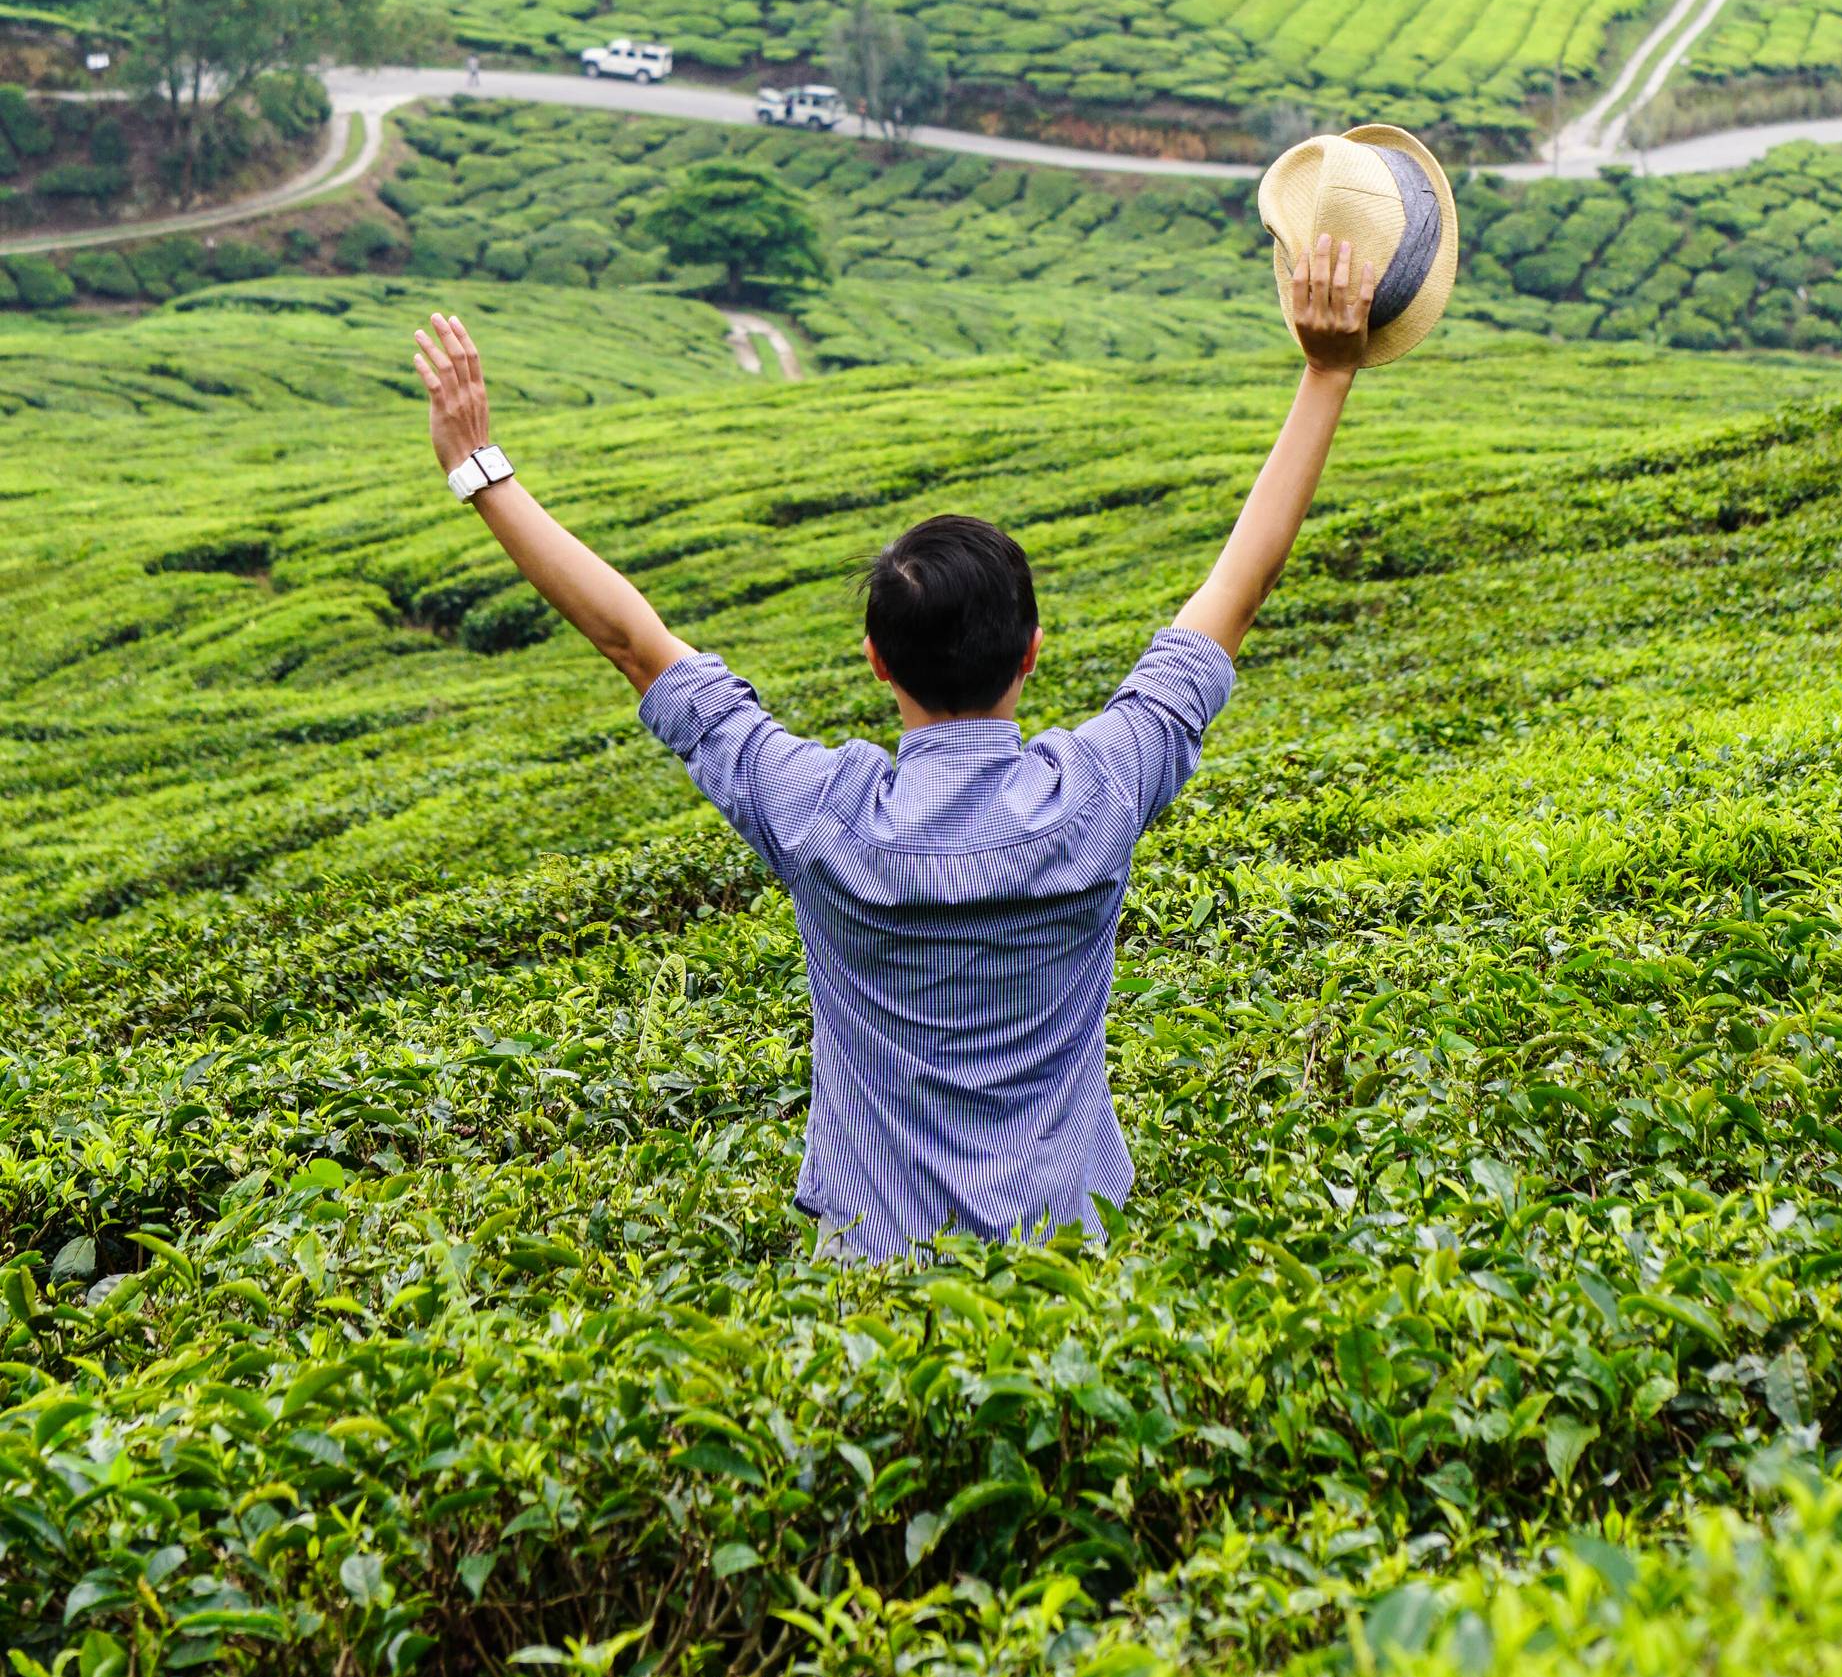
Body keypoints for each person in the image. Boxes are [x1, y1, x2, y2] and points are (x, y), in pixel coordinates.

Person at [408, 229, 1372, 1260]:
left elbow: (632, 642)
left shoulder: (819, 810)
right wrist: (1326, 372)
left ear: (874, 660)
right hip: (1072, 1282)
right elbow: (1238, 584)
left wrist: (480, 469)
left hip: (869, 1307)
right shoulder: (1098, 790)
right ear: (1033, 652)